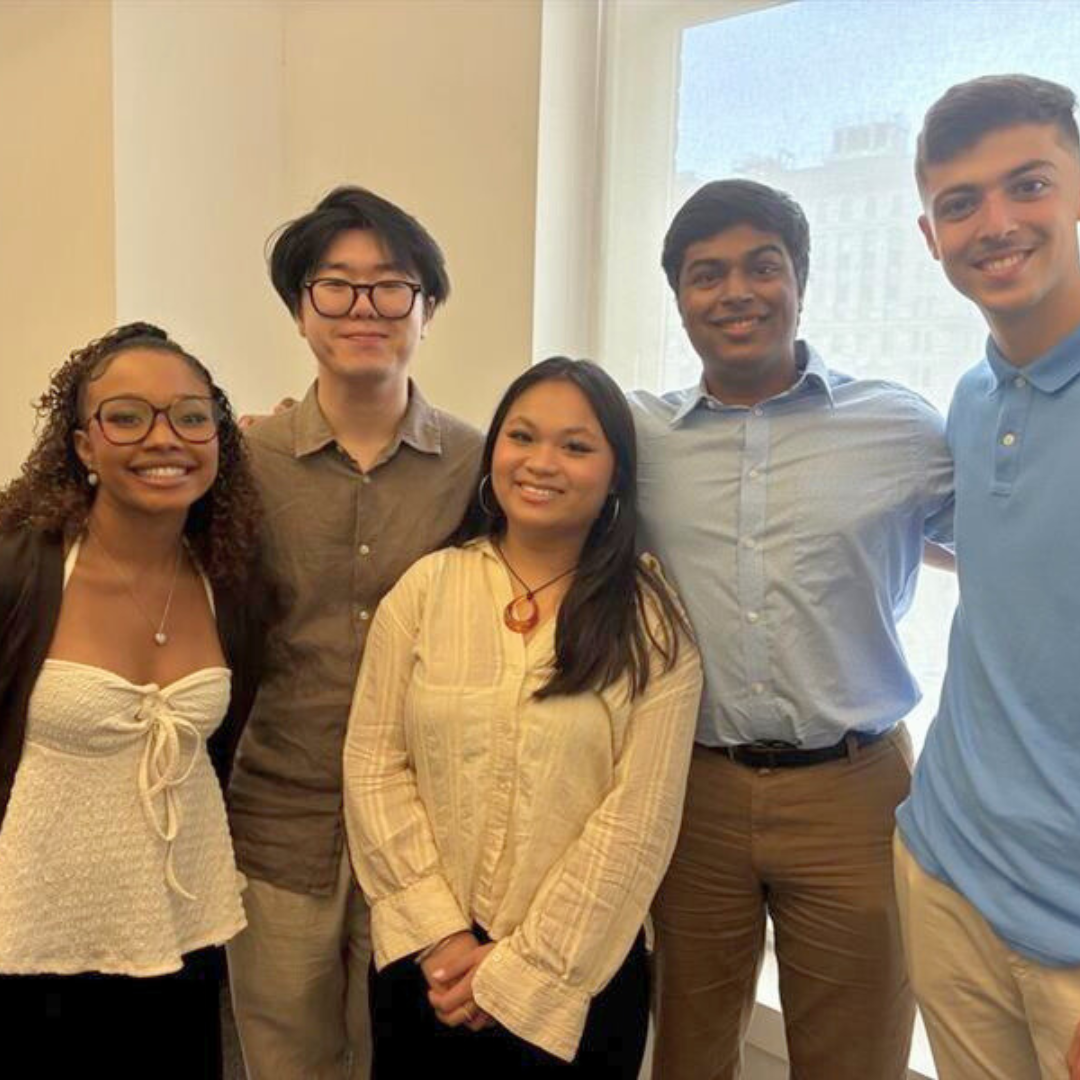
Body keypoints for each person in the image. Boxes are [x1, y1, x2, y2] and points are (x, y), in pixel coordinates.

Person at [635, 179, 954, 1080]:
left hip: (854, 791)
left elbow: (1006, 538)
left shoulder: (899, 426)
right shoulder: (638, 435)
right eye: (706, 274)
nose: (735, 292)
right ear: (680, 298)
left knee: (857, 1054)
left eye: (761, 267)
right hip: (692, 788)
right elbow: (525, 468)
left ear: (801, 282)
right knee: (688, 1050)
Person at [342, 357, 702, 1076]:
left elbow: (639, 821)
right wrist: (443, 936)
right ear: (493, 452)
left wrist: (521, 971)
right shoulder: (427, 588)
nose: (542, 463)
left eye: (577, 446)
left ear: (616, 475)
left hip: (574, 979)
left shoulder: (652, 621)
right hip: (429, 967)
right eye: (522, 436)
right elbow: (372, 764)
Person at [225, 185, 482, 1079]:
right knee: (283, 1054)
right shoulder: (240, 462)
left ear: (427, 308)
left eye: (392, 285)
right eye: (335, 285)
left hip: (422, 833)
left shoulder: (480, 465)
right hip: (276, 818)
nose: (364, 307)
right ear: (301, 311)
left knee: (402, 1058)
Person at [0, 322, 274, 1079]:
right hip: (29, 938)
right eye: (126, 417)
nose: (164, 438)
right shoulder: (19, 570)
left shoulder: (231, 582)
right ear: (83, 446)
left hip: (177, 927)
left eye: (190, 416)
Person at [895, 74, 1080, 1080]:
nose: (997, 223)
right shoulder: (972, 397)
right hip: (947, 868)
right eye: (962, 202)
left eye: (1030, 185)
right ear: (930, 235)